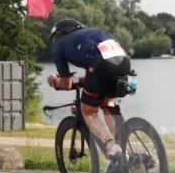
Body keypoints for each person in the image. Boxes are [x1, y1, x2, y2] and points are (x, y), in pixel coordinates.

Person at [46, 18, 132, 161]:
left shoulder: (61, 45)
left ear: (61, 34)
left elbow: (66, 84)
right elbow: (95, 74)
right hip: (124, 63)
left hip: (100, 67)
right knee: (107, 104)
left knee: (89, 111)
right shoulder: (95, 33)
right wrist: (79, 81)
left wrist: (55, 81)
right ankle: (125, 153)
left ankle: (110, 145)